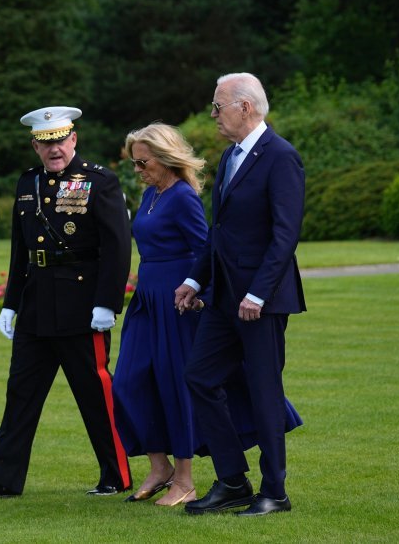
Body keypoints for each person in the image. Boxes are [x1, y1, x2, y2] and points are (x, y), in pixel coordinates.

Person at [0, 106, 132, 500]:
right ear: (35, 145)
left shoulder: (99, 181)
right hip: (36, 307)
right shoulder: (28, 183)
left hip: (82, 307)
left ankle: (116, 475)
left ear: (73, 139)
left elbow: (118, 247)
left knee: (94, 394)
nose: (54, 149)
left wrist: (107, 303)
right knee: (20, 394)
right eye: (45, 142)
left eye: (60, 140)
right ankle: (2, 478)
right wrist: (10, 303)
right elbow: (21, 250)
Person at [175, 72, 306, 517]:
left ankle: (275, 493)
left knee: (264, 390)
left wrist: (259, 294)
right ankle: (232, 480)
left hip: (259, 303)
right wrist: (195, 281)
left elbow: (285, 235)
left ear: (244, 107)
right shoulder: (231, 157)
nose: (214, 115)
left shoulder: (280, 157)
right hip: (223, 298)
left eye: (218, 106)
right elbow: (220, 234)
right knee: (199, 377)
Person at [111, 123, 208, 507]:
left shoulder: (183, 197)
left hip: (176, 302)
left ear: (166, 157)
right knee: (129, 382)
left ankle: (184, 479)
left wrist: (197, 291)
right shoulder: (153, 193)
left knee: (173, 385)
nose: (138, 170)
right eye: (135, 163)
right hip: (146, 299)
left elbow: (204, 249)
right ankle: (159, 466)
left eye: (143, 162)